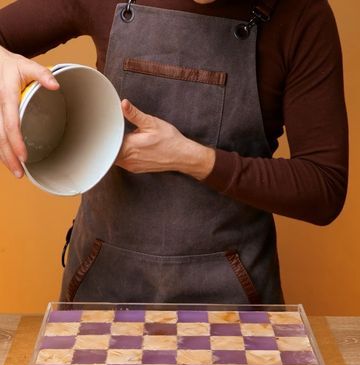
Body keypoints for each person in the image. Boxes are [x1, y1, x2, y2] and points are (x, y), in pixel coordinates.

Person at [0, 0, 348, 304]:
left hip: (233, 303)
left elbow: (323, 188)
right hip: (101, 285)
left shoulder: (301, 15)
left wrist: (192, 158)